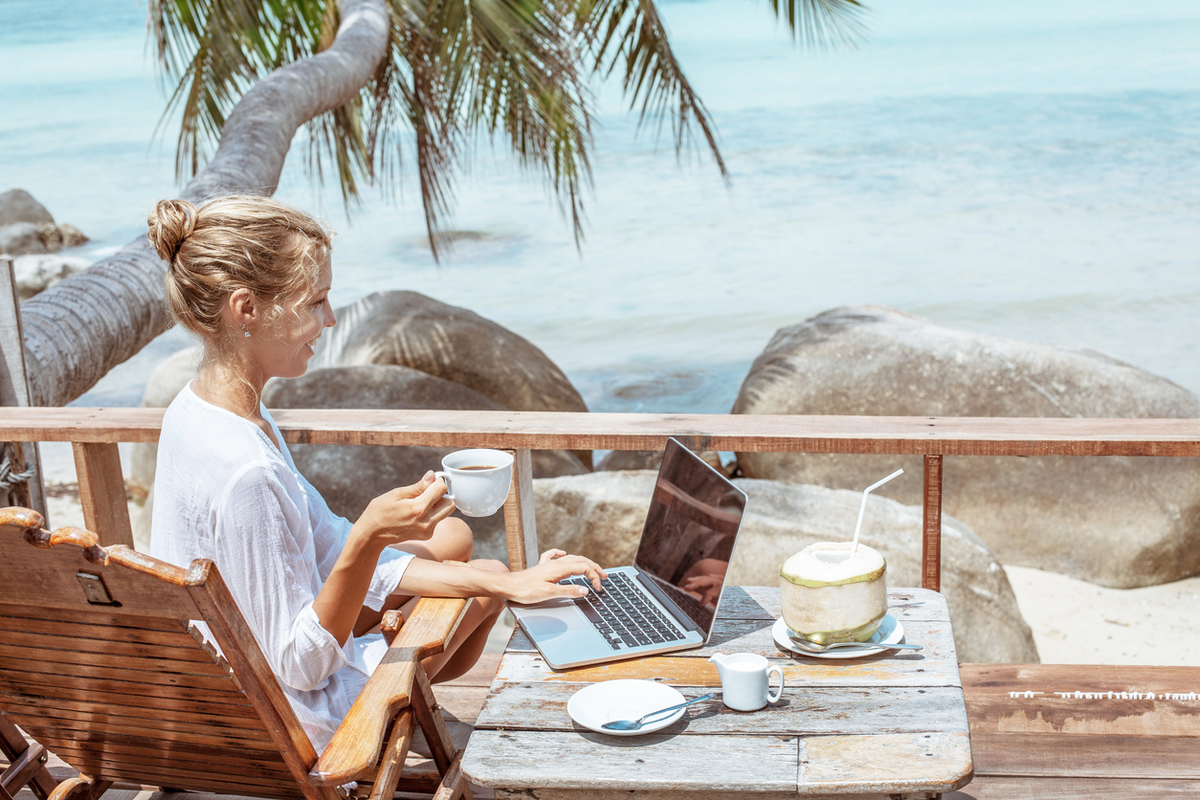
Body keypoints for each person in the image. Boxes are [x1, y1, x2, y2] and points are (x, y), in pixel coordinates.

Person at [146, 194, 605, 750]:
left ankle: (480, 601)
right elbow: (300, 665)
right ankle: (406, 719)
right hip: (291, 722)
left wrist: (506, 578)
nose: (331, 318)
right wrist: (372, 537)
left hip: (219, 687)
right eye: (315, 301)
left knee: (467, 551)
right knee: (481, 592)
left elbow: (320, 538)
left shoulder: (203, 409)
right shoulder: (245, 472)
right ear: (246, 310)